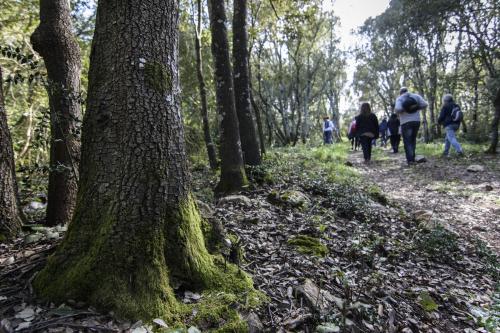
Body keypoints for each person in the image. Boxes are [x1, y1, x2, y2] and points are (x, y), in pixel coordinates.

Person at [394, 87, 428, 165]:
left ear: (400, 93)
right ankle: (412, 157)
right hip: (416, 121)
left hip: (406, 122)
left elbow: (397, 109)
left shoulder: (400, 99)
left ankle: (410, 160)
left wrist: (406, 109)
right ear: (407, 91)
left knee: (407, 141)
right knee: (413, 139)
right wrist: (416, 107)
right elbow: (425, 104)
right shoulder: (416, 96)